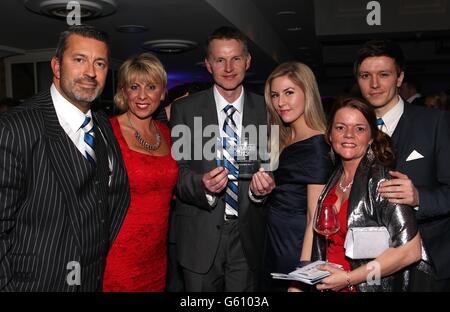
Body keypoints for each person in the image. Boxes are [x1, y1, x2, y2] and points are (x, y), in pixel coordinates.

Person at [0, 25, 130, 291]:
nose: (91, 72)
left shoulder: (103, 124)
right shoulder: (15, 128)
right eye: (79, 59)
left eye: (100, 63)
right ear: (57, 67)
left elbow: (114, 198)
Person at [169, 26, 274, 291]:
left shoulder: (267, 109)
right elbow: (177, 173)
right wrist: (201, 185)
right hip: (198, 235)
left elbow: (273, 166)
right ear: (208, 64)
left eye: (236, 58)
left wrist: (262, 191)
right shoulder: (185, 109)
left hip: (247, 236)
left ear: (248, 61)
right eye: (219, 60)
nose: (228, 67)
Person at [354, 39, 450, 291]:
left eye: (383, 74)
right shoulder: (351, 129)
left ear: (399, 78)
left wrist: (419, 197)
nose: (374, 84)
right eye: (366, 75)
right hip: (369, 266)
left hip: (426, 264)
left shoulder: (435, 123)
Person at [307, 97, 422, 292]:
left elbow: (411, 251)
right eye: (340, 127)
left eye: (359, 129)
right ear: (329, 134)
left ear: (370, 137)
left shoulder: (382, 182)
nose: (349, 135)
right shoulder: (334, 179)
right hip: (328, 284)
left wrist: (350, 278)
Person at [102, 53, 178, 291]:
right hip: (117, 255)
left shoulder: (167, 134)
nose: (143, 96)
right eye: (135, 87)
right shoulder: (106, 132)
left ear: (163, 92)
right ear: (123, 91)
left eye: (151, 87)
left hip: (157, 255)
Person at [259, 62, 332, 291]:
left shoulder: (317, 145)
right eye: (275, 95)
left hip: (295, 242)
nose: (281, 102)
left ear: (307, 93)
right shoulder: (281, 137)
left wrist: (301, 276)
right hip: (272, 238)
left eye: (289, 93)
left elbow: (314, 217)